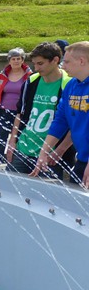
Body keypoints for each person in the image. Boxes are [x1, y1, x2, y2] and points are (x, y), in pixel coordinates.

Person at [6, 42, 72, 176]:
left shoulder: (69, 84)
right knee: (10, 186)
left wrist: (60, 150)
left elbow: (74, 122)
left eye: (40, 64)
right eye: (34, 64)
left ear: (55, 60)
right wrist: (12, 141)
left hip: (51, 154)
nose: (36, 68)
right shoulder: (31, 81)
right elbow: (20, 113)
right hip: (23, 148)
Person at [34, 41, 89, 188]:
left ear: (81, 61)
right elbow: (60, 121)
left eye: (67, 62)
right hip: (82, 160)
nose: (63, 66)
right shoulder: (71, 85)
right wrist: (44, 152)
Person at [0, 48, 32, 165]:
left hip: (21, 112)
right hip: (4, 110)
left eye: (18, 59)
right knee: (1, 136)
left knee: (19, 136)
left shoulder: (30, 76)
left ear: (23, 60)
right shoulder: (1, 76)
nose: (16, 61)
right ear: (9, 61)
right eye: (13, 59)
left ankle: (15, 160)